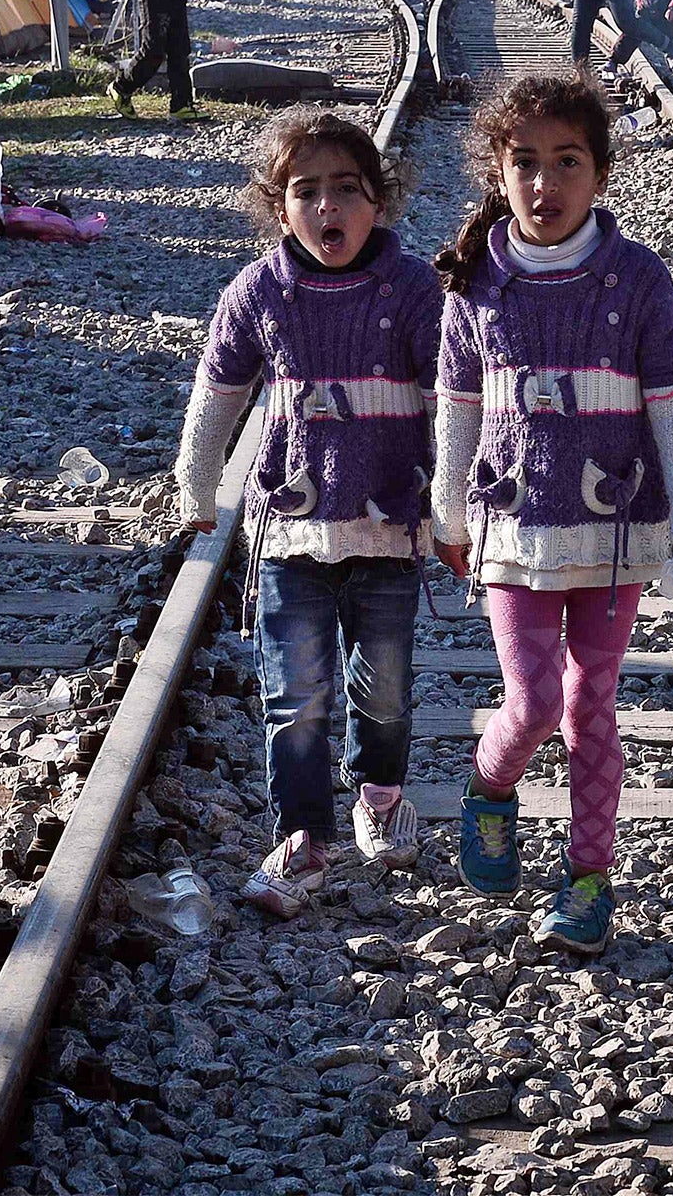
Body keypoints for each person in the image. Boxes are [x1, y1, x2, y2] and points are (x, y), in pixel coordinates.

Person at [431, 72, 673, 955]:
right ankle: (490, 786)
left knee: (591, 701)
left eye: (567, 163)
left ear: (601, 174)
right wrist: (447, 515)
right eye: (525, 164)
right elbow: (459, 408)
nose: (545, 185)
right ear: (497, 172)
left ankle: (588, 876)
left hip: (616, 535)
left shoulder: (637, 281)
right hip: (513, 533)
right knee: (532, 699)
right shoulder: (477, 281)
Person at [175, 111, 440, 916]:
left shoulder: (414, 290)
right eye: (307, 192)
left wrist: (460, 499)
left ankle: (383, 797)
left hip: (389, 529)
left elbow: (452, 400)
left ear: (380, 203)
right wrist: (195, 486)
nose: (329, 208)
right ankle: (301, 840)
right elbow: (218, 395)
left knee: (383, 687)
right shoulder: (257, 293)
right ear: (279, 207)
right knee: (293, 693)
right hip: (291, 532)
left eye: (347, 191)